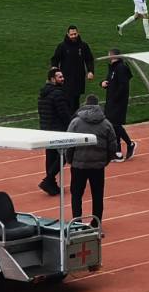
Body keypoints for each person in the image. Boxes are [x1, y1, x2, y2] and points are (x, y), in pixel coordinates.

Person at [66, 95, 118, 227]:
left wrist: (70, 160)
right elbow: (113, 146)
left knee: (76, 194)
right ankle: (96, 222)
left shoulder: (76, 123)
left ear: (85, 105)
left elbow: (69, 144)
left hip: (79, 165)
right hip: (98, 166)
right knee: (97, 195)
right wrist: (106, 160)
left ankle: (77, 222)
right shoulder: (106, 124)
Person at [37, 68, 74, 195]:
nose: (63, 79)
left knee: (50, 156)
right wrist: (72, 125)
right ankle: (48, 180)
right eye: (60, 77)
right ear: (53, 79)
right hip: (58, 130)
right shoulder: (57, 94)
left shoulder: (43, 93)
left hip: (46, 129)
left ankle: (51, 183)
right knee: (65, 154)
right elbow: (64, 113)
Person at [101, 48, 136, 160]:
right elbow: (110, 80)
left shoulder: (121, 68)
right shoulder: (113, 68)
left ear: (113, 56)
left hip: (118, 101)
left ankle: (129, 144)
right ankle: (118, 151)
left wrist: (115, 98)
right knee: (113, 125)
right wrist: (102, 83)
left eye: (109, 55)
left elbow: (123, 86)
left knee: (115, 124)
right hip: (111, 100)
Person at [50, 26, 96, 111]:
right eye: (71, 34)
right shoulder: (62, 46)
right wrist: (54, 68)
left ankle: (74, 116)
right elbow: (55, 59)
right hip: (66, 78)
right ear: (68, 34)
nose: (73, 36)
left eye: (75, 34)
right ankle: (69, 117)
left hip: (78, 78)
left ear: (78, 33)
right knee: (67, 99)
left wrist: (90, 71)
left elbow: (89, 59)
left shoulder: (83, 46)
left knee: (76, 99)